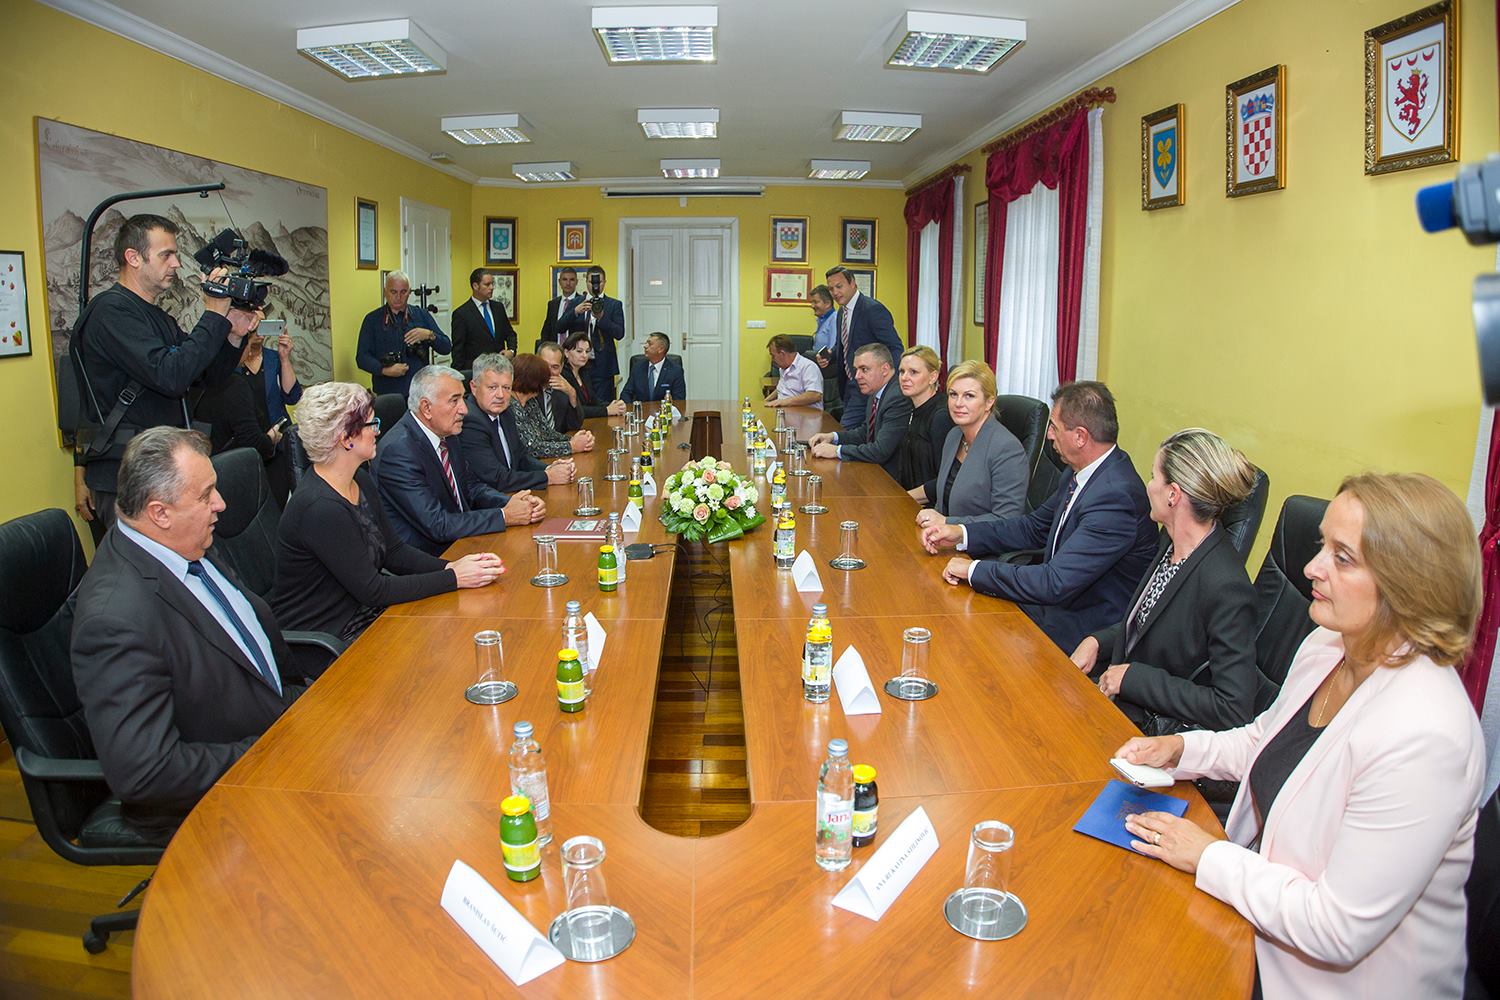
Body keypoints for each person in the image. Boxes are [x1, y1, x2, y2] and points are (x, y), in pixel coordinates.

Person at [1116, 473, 1486, 1000]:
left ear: (1409, 585)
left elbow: (1335, 929)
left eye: (1342, 558)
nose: (1312, 567)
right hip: (1256, 919)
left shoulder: (1426, 735)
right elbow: (1265, 739)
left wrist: (1207, 855)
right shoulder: (1328, 645)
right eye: (1321, 547)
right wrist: (1180, 748)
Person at [71, 427, 296, 840]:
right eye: (206, 495)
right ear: (160, 513)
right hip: (228, 790)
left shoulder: (181, 542)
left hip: (280, 725)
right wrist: (269, 750)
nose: (220, 503)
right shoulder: (115, 620)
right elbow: (147, 772)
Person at [922, 380, 1157, 653]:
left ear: (1080, 437)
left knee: (965, 644)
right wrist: (961, 532)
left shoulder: (1116, 497)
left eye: (1054, 427)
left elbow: (1054, 582)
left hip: (1082, 631)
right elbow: (1033, 528)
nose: (1049, 436)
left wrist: (973, 570)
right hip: (1052, 607)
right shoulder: (1080, 472)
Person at [72, 213, 258, 541]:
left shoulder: (157, 317)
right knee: (148, 568)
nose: (176, 264)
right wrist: (213, 314)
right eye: (166, 255)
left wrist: (232, 333)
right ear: (133, 257)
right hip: (129, 475)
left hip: (162, 470)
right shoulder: (110, 313)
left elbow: (205, 377)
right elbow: (170, 376)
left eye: (175, 254)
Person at [272, 383, 504, 640]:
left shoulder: (359, 479)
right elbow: (374, 590)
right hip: (333, 635)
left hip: (367, 615)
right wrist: (453, 577)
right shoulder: (320, 507)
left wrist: (450, 566)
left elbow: (394, 552)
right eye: (372, 424)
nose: (378, 431)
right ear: (346, 439)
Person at [1070, 429, 1258, 734]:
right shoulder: (1170, 542)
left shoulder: (1226, 585)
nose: (1148, 486)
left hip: (1151, 734)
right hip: (1117, 706)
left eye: (1153, 477)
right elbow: (1149, 625)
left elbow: (1232, 707)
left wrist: (1133, 679)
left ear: (1173, 494)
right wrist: (1098, 642)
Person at [375, 365, 544, 557]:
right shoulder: (398, 452)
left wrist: (510, 502)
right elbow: (437, 524)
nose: (464, 409)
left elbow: (471, 487)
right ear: (426, 408)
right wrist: (505, 515)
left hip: (463, 539)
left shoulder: (448, 434)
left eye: (463, 399)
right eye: (454, 401)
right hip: (431, 557)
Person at [910, 358, 1026, 524]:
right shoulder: (954, 436)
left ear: (989, 402)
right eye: (953, 394)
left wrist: (947, 523)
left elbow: (1007, 520)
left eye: (969, 396)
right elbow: (942, 503)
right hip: (941, 535)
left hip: (977, 539)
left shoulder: (1007, 449)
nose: (958, 403)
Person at [192, 322, 292, 507]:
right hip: (239, 461)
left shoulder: (195, 376)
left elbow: (292, 396)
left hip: (220, 461)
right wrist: (270, 438)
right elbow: (251, 439)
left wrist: (285, 359)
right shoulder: (232, 381)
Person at [458, 354, 576, 494]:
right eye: (492, 387)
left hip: (514, 494)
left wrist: (548, 468)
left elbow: (521, 457)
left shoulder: (506, 412)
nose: (500, 395)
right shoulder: (471, 422)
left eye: (506, 388)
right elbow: (497, 479)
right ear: (474, 387)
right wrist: (547, 476)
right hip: (492, 500)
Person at [807, 344, 914, 482]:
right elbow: (866, 432)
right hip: (876, 471)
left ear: (885, 369)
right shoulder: (877, 390)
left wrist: (837, 451)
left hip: (893, 480)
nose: (857, 376)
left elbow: (880, 451)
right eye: (856, 369)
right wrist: (833, 437)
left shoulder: (897, 397)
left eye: (864, 369)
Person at [815, 266, 903, 434]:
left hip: (871, 384)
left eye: (839, 286)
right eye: (831, 289)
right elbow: (844, 345)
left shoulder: (872, 309)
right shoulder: (842, 312)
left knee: (844, 433)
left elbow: (895, 347)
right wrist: (831, 355)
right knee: (860, 434)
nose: (835, 293)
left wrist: (891, 385)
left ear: (853, 283)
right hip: (849, 384)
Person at [355, 270, 451, 400]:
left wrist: (429, 335)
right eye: (393, 292)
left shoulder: (421, 315)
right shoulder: (372, 320)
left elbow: (446, 347)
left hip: (420, 390)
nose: (398, 297)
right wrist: (384, 370)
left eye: (403, 292)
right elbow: (362, 357)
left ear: (409, 292)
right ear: (385, 292)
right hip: (388, 392)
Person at [892, 345, 955, 492]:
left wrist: (907, 497)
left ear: (933, 377)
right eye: (902, 371)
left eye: (913, 372)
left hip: (929, 502)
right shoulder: (910, 407)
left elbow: (946, 478)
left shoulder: (941, 416)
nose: (904, 378)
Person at [510, 354, 596, 460]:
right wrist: (571, 446)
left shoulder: (530, 401)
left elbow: (547, 432)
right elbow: (532, 448)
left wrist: (574, 439)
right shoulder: (510, 406)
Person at [563, 265, 625, 401]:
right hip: (578, 366)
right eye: (592, 282)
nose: (595, 286)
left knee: (604, 405)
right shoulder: (575, 303)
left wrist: (601, 318)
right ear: (586, 282)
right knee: (579, 403)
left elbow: (620, 333)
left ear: (605, 282)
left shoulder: (614, 305)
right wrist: (575, 312)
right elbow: (559, 327)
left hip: (603, 367)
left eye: (599, 282)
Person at [449, 268, 517, 371]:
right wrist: (458, 375)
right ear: (475, 286)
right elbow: (458, 350)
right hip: (476, 371)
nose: (492, 287)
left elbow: (510, 334)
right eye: (487, 284)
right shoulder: (462, 314)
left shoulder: (498, 307)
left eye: (492, 284)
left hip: (500, 368)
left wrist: (511, 351)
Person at [561, 331, 626, 419]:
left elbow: (593, 400)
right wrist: (606, 410)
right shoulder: (563, 376)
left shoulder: (584, 372)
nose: (584, 355)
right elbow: (575, 409)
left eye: (587, 351)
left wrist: (613, 405)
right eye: (579, 351)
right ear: (566, 353)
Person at [258, 316, 302, 428]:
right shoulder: (232, 361)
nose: (258, 330)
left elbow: (292, 397)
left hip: (279, 429)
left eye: (261, 324)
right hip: (247, 432)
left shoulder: (273, 358)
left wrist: (284, 358)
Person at [620, 332, 687, 404]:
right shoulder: (637, 368)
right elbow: (625, 394)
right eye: (646, 343)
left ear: (660, 349)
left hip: (664, 410)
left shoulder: (675, 371)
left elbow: (679, 400)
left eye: (650, 344)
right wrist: (633, 408)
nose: (645, 346)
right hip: (640, 410)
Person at [764, 334, 823, 409]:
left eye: (773, 356)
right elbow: (781, 389)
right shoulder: (783, 368)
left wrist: (783, 402)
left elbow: (815, 395)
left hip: (804, 413)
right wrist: (765, 401)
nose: (773, 360)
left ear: (782, 354)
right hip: (785, 411)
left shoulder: (808, 367)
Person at [537, 341, 584, 432]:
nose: (549, 371)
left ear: (561, 367)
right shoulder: (528, 389)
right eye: (544, 365)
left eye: (555, 367)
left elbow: (575, 425)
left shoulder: (563, 389)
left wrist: (572, 393)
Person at [540, 266, 584, 345]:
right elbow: (546, 330)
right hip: (555, 349)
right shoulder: (552, 304)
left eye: (572, 280)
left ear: (576, 282)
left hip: (575, 349)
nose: (568, 283)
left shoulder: (582, 303)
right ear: (559, 282)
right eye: (564, 279)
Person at [809, 284, 838, 354]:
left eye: (816, 302)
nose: (812, 306)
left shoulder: (834, 320)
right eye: (811, 302)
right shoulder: (822, 319)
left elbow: (832, 350)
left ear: (827, 303)